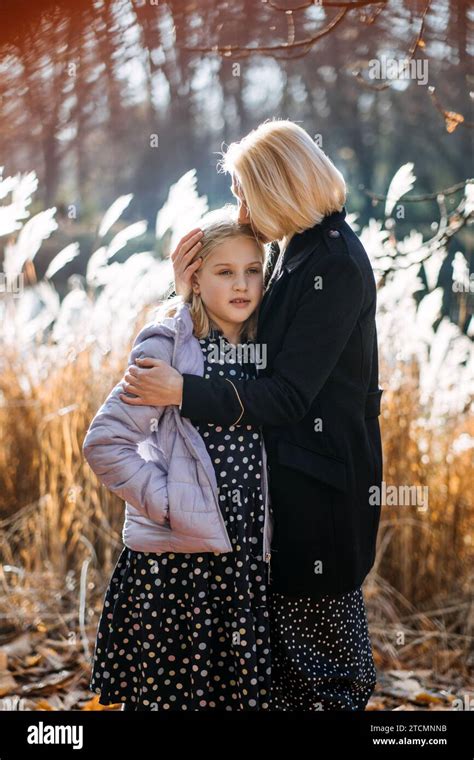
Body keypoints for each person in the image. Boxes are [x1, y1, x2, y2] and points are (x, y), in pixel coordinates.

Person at [119, 119, 384, 710]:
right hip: (288, 498)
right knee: (290, 676)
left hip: (323, 500)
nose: (239, 209)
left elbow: (287, 394)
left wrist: (181, 391)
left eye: (245, 192)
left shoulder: (333, 264)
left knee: (327, 678)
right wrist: (186, 291)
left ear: (277, 187)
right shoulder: (298, 249)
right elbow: (245, 346)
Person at [82, 213, 274, 711]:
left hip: (244, 560)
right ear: (194, 277)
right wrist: (170, 504)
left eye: (253, 270)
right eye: (224, 271)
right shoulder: (169, 343)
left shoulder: (269, 348)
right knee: (171, 697)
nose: (241, 284)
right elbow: (106, 443)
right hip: (177, 566)